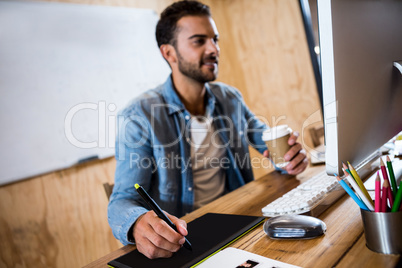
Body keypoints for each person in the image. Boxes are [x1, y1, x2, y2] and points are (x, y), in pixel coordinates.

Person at [108, 0, 308, 259]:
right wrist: (136, 223)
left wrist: (289, 159)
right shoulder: (139, 115)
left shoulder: (229, 98)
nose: (214, 49)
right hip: (185, 243)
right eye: (199, 41)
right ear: (169, 53)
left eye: (215, 39)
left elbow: (268, 143)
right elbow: (122, 201)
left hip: (242, 224)